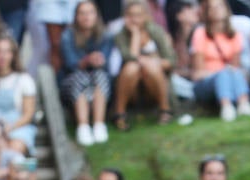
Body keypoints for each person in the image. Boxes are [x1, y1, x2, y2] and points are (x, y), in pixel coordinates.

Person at [111, 0, 175, 127]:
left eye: (138, 15)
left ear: (146, 15)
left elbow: (171, 61)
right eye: (130, 15)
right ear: (125, 16)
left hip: (155, 82)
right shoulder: (120, 35)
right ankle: (119, 114)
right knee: (131, 67)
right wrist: (135, 35)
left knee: (150, 66)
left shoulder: (156, 31)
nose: (134, 19)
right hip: (132, 86)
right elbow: (130, 58)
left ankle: (165, 109)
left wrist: (151, 62)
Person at [62, 0, 113, 147]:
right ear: (76, 16)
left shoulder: (106, 35)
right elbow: (70, 64)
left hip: (98, 80)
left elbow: (106, 63)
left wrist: (99, 60)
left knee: (100, 76)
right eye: (82, 13)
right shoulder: (68, 35)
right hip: (73, 81)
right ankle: (83, 126)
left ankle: (98, 124)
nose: (86, 17)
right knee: (80, 77)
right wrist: (86, 61)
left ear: (96, 15)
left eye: (90, 13)